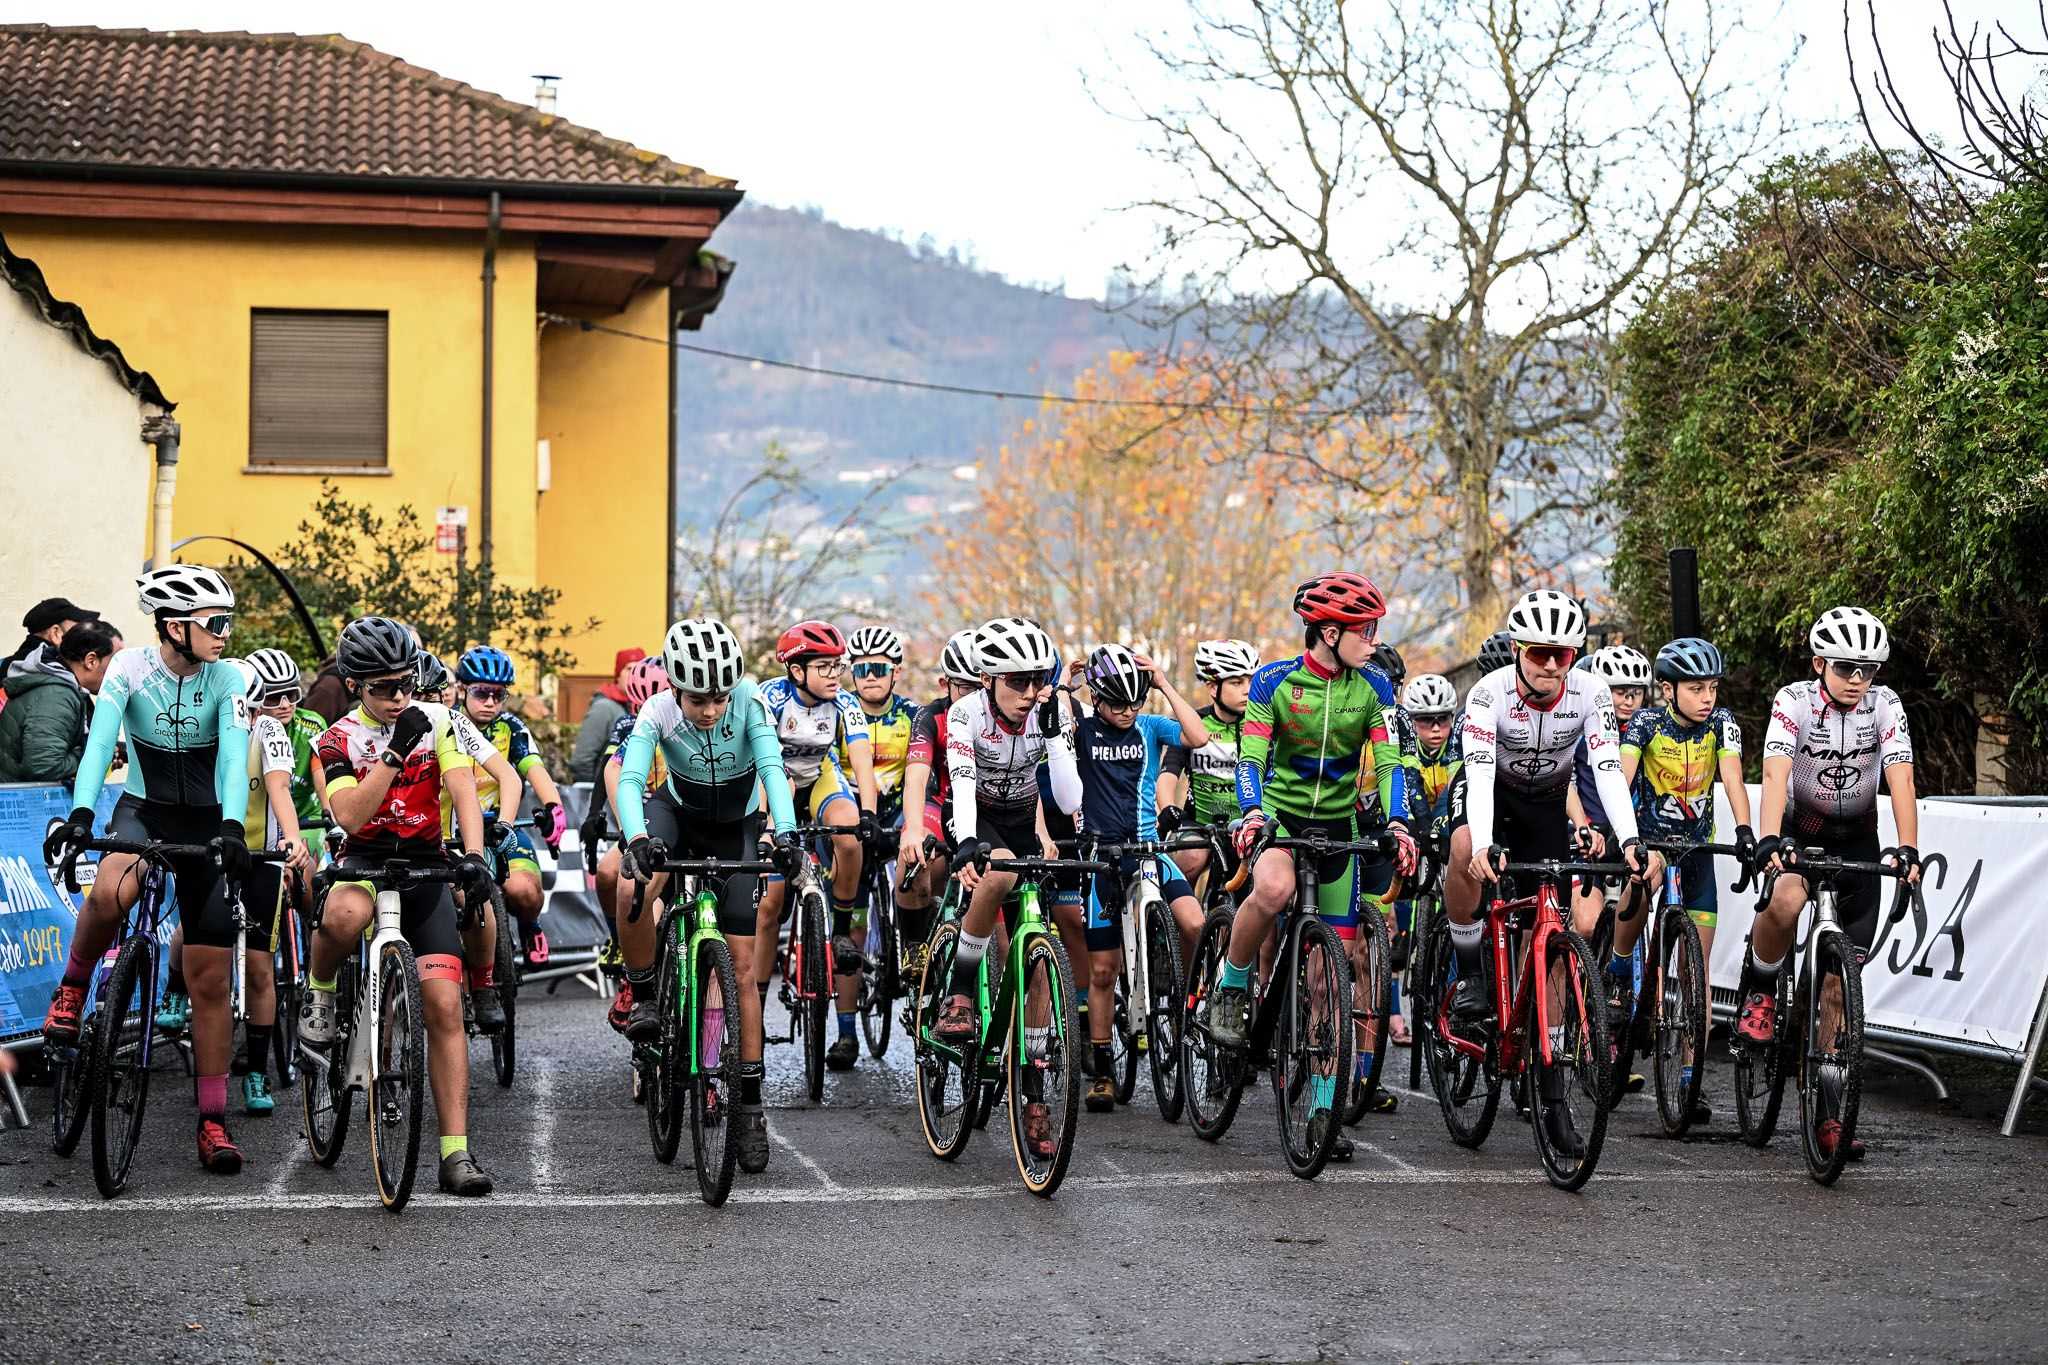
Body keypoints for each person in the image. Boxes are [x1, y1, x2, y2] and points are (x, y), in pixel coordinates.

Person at [40, 565, 254, 1174]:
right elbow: (100, 741)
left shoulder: (231, 677)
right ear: (175, 626)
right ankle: (73, 987)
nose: (225, 633)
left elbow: (233, 757)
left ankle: (212, 1121)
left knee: (210, 980)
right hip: (143, 810)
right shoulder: (130, 669)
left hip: (207, 821)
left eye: (227, 621)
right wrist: (83, 813)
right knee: (109, 892)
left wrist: (232, 826)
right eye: (215, 623)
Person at [1206, 572, 1418, 1161]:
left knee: (1330, 980)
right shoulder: (1274, 681)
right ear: (1329, 633)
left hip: (1339, 829)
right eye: (1364, 630)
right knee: (1272, 890)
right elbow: (1251, 755)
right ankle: (1232, 983)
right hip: (1280, 819)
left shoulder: (1374, 685)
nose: (1373, 641)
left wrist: (1398, 822)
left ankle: (1325, 1109)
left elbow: (1390, 762)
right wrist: (1252, 811)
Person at [1440, 588, 1645, 1160]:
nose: (1552, 666)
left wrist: (1629, 839)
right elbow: (1480, 775)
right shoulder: (1488, 695)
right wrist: (1485, 844)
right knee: (1463, 845)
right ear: (1517, 651)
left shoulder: (1591, 693)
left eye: (1563, 654)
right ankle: (1469, 968)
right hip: (1493, 797)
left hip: (1549, 805)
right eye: (1539, 653)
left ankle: (1551, 1088)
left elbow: (1607, 770)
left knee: (1552, 938)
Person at [300, 616, 496, 1195]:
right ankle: (321, 990)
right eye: (384, 687)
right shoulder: (335, 740)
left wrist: (475, 855)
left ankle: (456, 1152)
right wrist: (394, 752)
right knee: (344, 916)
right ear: (355, 685)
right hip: (363, 858)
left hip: (424, 863)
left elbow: (463, 789)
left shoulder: (438, 721)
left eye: (406, 683)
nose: (399, 697)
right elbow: (349, 816)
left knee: (444, 1004)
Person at [616, 617, 800, 1172]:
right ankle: (645, 994)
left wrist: (786, 835)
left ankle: (750, 1105)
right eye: (699, 699)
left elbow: (772, 767)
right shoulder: (657, 711)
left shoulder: (750, 702)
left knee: (741, 971)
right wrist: (637, 838)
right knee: (631, 882)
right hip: (677, 815)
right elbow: (631, 780)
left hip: (735, 827)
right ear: (675, 687)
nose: (713, 710)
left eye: (721, 697)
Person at [1745, 607, 1920, 1163]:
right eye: (1846, 667)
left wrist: (1908, 847)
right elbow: (1775, 772)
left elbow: (1901, 777)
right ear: (1820, 663)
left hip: (1859, 840)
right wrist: (1769, 839)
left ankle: (1827, 1112)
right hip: (1802, 831)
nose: (1857, 679)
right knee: (1786, 901)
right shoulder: (1793, 701)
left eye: (1868, 670)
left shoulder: (1884, 705)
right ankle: (1761, 988)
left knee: (1838, 988)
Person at [933, 617, 1082, 1161]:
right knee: (997, 874)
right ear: (988, 679)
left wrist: (1056, 736)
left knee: (1038, 967)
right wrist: (968, 843)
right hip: (975, 815)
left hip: (1022, 817)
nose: (1029, 692)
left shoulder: (1048, 711)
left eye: (1037, 680)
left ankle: (1035, 1095)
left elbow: (1067, 799)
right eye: (1017, 681)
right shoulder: (966, 715)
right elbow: (963, 784)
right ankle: (960, 990)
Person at [1615, 636, 1752, 1127]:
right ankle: (1618, 970)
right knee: (1639, 882)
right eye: (1696, 688)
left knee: (1698, 975)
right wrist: (1621, 833)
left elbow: (1732, 779)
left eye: (1712, 687)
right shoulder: (1646, 724)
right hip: (1651, 844)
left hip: (1697, 854)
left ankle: (1691, 1079)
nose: (1707, 697)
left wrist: (1744, 831)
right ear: (1668, 689)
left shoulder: (1722, 723)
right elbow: (1624, 776)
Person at [1069, 643, 1209, 1112]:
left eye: (1134, 702)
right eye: (1116, 704)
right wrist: (1066, 687)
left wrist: (1164, 683)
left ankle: (1184, 1000)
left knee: (1195, 923)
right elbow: (1049, 726)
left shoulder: (1149, 726)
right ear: (1096, 698)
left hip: (1149, 850)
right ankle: (1103, 1070)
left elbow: (1197, 736)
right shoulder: (1083, 730)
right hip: (1103, 859)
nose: (1127, 712)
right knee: (1103, 971)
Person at [753, 621, 879, 1039]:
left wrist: (868, 813)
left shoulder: (844, 701)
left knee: (849, 832)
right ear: (796, 670)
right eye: (823, 667)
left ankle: (839, 932)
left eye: (837, 666)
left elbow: (860, 758)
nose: (834, 675)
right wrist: (764, 823)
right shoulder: (770, 698)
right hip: (775, 780)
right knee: (769, 907)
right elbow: (764, 763)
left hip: (819, 777)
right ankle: (753, 1008)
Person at [829, 625, 918, 1069]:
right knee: (853, 927)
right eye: (860, 669)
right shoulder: (838, 713)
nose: (868, 677)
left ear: (895, 672)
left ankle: (920, 990)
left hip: (897, 821)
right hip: (854, 825)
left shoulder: (912, 715)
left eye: (878, 670)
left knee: (918, 888)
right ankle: (846, 1033)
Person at [453, 647, 567, 956]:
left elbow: (534, 768)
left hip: (500, 824)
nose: (490, 702)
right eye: (481, 693)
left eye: (499, 694)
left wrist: (553, 807)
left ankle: (530, 926)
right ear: (462, 689)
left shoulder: (511, 727)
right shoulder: (446, 723)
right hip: (454, 828)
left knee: (523, 890)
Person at [895, 630, 984, 977]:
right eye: (964, 687)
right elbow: (915, 779)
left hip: (982, 804)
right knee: (912, 859)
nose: (974, 696)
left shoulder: (999, 716)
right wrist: (913, 830)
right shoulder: (930, 717)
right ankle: (915, 944)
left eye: (980, 687)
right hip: (939, 800)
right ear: (945, 684)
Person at [1158, 638, 1261, 905]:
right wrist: (1167, 809)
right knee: (1191, 858)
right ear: (1213, 687)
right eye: (1237, 682)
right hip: (1199, 823)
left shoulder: (1261, 725)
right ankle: (1175, 920)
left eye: (1251, 681)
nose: (1247, 690)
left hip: (1249, 823)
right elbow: (1168, 775)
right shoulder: (1194, 723)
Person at [0, 620, 120, 782]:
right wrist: (96, 755)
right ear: (91, 660)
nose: (119, 675)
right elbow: (43, 767)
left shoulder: (57, 687)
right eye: (115, 664)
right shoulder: (57, 696)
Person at [570, 647, 647, 782]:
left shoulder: (642, 708)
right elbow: (581, 760)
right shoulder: (603, 708)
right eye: (629, 669)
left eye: (639, 669)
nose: (634, 674)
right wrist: (595, 790)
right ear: (618, 675)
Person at [5, 596, 100, 668]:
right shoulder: (50, 668)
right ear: (56, 633)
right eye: (77, 630)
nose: (83, 637)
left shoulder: (14, 663)